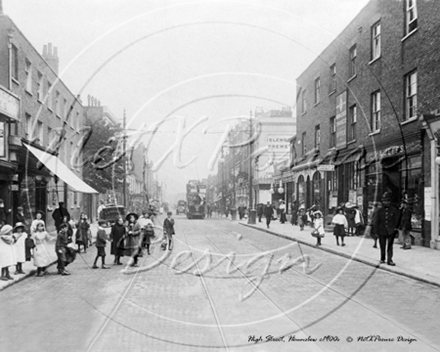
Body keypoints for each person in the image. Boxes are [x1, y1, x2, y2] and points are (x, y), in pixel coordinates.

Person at [373, 192, 400, 266]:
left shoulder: (393, 210)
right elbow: (376, 222)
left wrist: (396, 229)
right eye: (385, 201)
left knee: (390, 246)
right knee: (382, 245)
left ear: (390, 202)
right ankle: (382, 258)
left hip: (391, 231)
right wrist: (376, 232)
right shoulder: (379, 210)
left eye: (388, 201)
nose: (386, 202)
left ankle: (389, 259)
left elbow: (396, 220)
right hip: (382, 231)